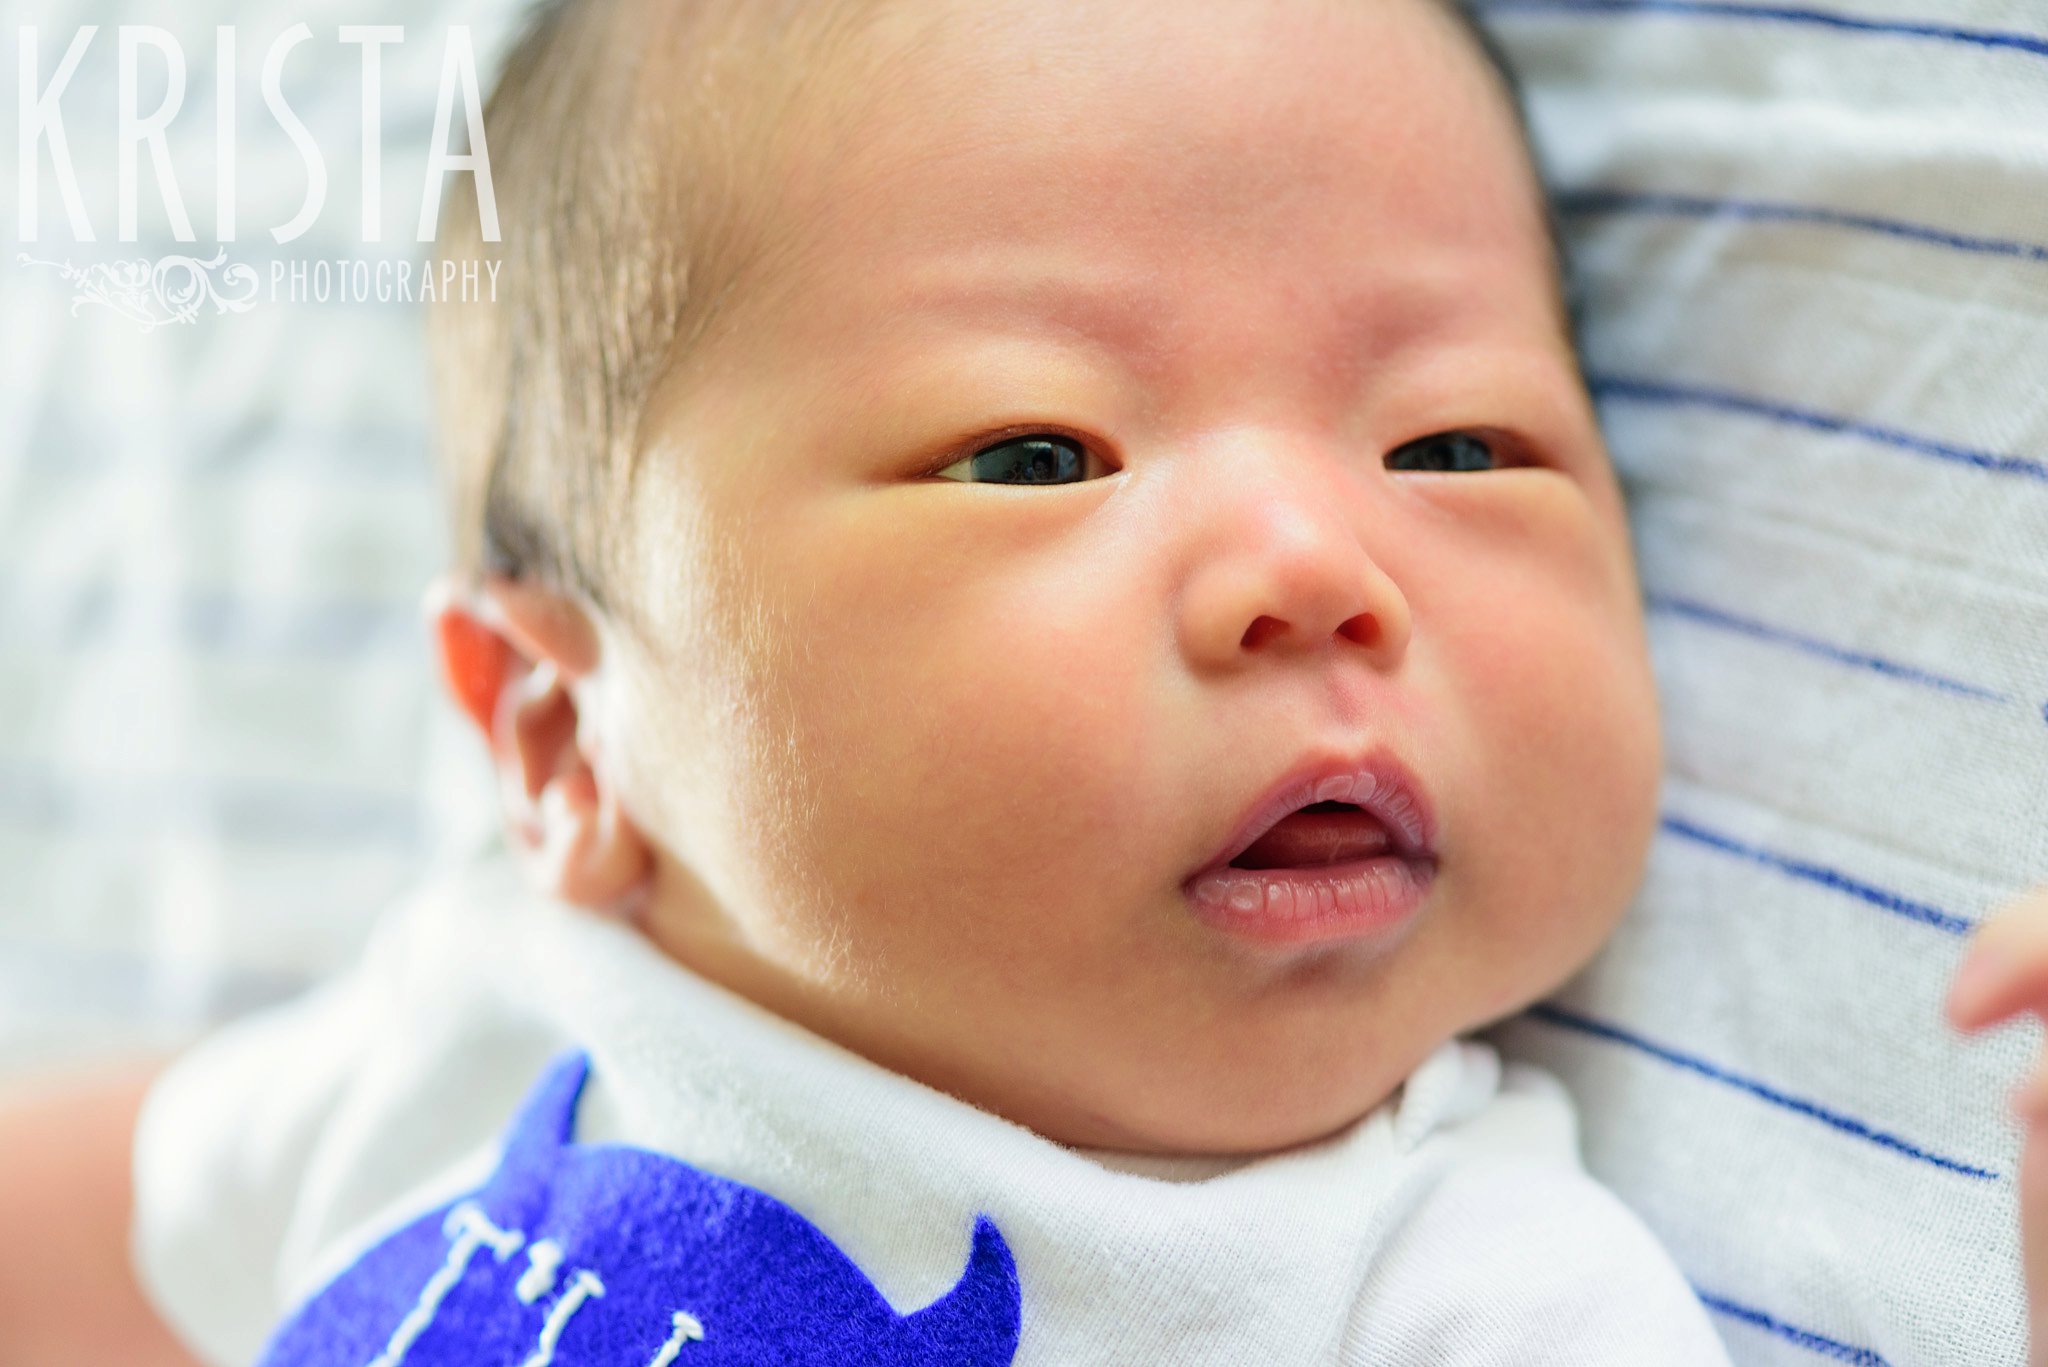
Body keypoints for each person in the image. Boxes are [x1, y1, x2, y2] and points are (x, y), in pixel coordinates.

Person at [0, 0, 2036, 1361]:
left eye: (1455, 449)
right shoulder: (471, 1029)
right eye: (1035, 456)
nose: (1315, 569)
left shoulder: (1432, 1290)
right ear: (557, 731)